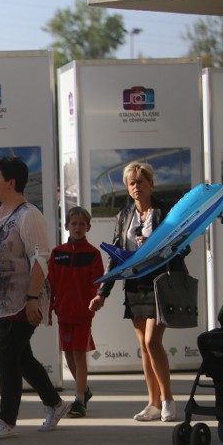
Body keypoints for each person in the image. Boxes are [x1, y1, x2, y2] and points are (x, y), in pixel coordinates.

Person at [0, 157, 68, 440]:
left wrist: (33, 297)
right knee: (22, 357)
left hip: (22, 302)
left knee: (6, 355)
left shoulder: (28, 215)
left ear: (11, 182)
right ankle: (55, 404)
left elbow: (41, 259)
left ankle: (7, 420)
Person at [91, 162, 182, 422]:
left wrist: (156, 247)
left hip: (159, 283)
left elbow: (181, 246)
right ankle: (153, 403)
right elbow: (115, 256)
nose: (136, 186)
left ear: (150, 184)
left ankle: (168, 399)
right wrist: (102, 293)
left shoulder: (164, 211)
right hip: (134, 285)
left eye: (140, 181)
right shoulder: (124, 215)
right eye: (131, 182)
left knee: (153, 342)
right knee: (143, 346)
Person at [48, 206, 104, 418]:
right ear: (67, 226)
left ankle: (79, 400)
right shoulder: (57, 253)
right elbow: (51, 284)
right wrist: (49, 307)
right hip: (63, 312)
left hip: (82, 313)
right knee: (69, 353)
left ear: (88, 227)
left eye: (82, 224)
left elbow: (97, 282)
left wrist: (97, 298)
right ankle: (84, 390)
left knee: (79, 353)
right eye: (74, 223)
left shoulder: (93, 254)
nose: (78, 227)